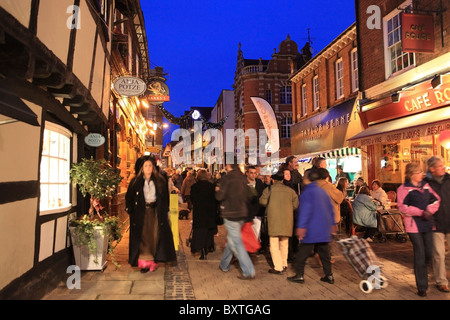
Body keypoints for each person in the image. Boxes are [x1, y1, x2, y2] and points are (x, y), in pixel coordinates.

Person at [125, 156, 177, 273]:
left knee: (155, 236)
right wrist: (130, 210)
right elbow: (129, 197)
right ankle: (144, 262)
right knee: (143, 238)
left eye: (150, 165)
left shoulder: (159, 180)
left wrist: (166, 211)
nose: (148, 168)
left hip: (156, 213)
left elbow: (165, 198)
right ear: (142, 168)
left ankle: (154, 259)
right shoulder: (135, 182)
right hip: (141, 213)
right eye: (146, 166)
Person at [397, 162, 440, 297]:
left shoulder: (426, 186)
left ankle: (422, 273)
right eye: (418, 172)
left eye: (421, 172)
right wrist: (420, 212)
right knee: (420, 253)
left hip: (428, 224)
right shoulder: (403, 189)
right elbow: (402, 206)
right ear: (411, 174)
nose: (421, 174)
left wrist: (429, 210)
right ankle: (422, 286)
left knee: (428, 253)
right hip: (413, 226)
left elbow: (436, 200)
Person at [287, 168, 336, 284]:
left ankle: (299, 275)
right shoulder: (322, 191)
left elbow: (304, 211)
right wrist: (332, 224)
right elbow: (330, 209)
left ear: (307, 178)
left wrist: (301, 227)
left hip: (311, 229)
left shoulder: (307, 193)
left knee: (302, 253)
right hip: (323, 228)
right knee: (325, 254)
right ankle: (329, 275)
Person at [216, 163, 256, 280]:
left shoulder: (227, 178)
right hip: (242, 213)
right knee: (232, 240)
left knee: (237, 243)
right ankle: (224, 265)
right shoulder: (243, 177)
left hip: (231, 213)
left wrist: (218, 190)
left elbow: (219, 196)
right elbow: (250, 195)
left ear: (228, 165)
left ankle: (248, 271)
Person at [259, 169, 299, 274]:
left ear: (273, 179)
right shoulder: (290, 191)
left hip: (273, 219)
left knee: (274, 244)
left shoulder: (269, 190)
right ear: (282, 180)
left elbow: (262, 202)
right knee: (284, 243)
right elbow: (295, 205)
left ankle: (278, 267)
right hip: (287, 220)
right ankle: (284, 263)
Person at [424, 156, 450, 293]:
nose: (443, 167)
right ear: (432, 169)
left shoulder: (448, 179)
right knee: (438, 253)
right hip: (434, 223)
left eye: (443, 165)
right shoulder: (425, 183)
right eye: (440, 166)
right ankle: (441, 281)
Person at [190, 169, 219, 260]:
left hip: (199, 212)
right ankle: (207, 248)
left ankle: (201, 250)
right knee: (208, 232)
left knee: (200, 232)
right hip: (210, 212)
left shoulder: (194, 187)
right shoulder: (211, 186)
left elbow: (192, 199)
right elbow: (216, 199)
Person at [246, 165, 266, 241]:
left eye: (255, 173)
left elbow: (262, 195)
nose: (253, 175)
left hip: (257, 211)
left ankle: (252, 249)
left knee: (256, 231)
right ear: (247, 173)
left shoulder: (259, 183)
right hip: (246, 212)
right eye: (251, 173)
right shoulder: (243, 183)